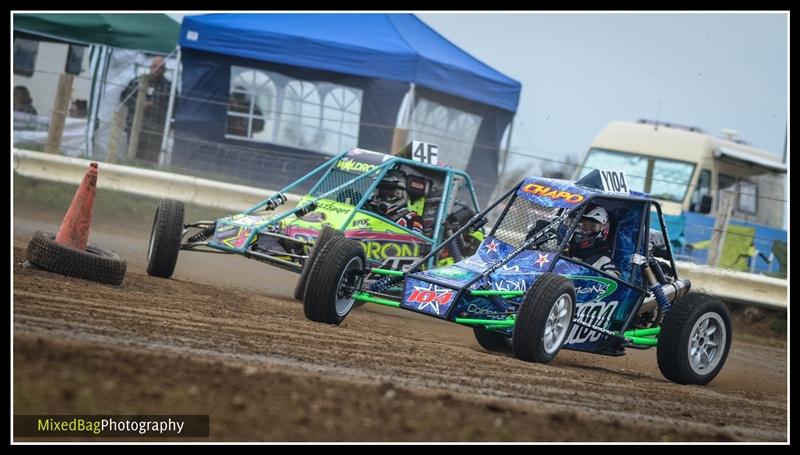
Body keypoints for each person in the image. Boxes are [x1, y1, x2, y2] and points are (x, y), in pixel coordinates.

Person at [120, 56, 172, 163]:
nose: (157, 69)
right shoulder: (138, 81)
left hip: (156, 130)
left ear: (165, 70)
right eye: (154, 66)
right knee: (132, 158)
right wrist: (138, 105)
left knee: (151, 160)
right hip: (135, 127)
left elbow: (173, 108)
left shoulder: (169, 87)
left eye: (160, 67)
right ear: (150, 67)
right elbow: (124, 97)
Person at [567, 205, 620, 277]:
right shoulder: (565, 251)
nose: (581, 231)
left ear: (603, 228)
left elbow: (611, 285)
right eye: (577, 226)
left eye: (587, 227)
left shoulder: (605, 263)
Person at [367, 169, 424, 233]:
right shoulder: (369, 209)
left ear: (403, 194)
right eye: (381, 190)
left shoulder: (413, 219)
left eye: (389, 190)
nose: (384, 194)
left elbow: (415, 241)